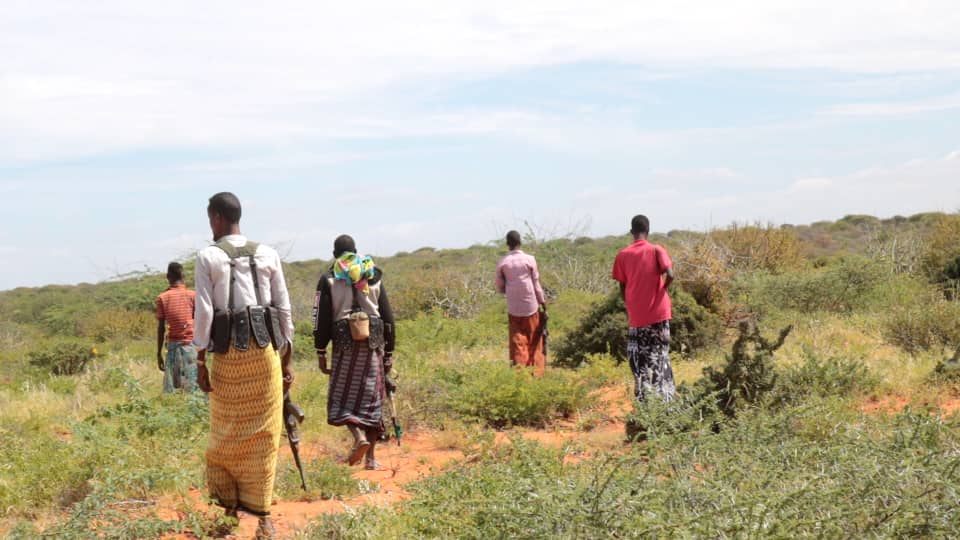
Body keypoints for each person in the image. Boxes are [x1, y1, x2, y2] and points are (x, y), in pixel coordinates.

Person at [192, 192, 294, 540]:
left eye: (210, 219)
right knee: (265, 434)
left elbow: (205, 312)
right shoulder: (268, 253)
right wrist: (287, 358)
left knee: (224, 435)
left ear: (216, 218)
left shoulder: (208, 256)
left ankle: (229, 513)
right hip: (266, 354)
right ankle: (264, 519)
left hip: (226, 357)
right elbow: (282, 308)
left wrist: (201, 357)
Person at [314, 235, 396, 471]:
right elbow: (388, 317)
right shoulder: (374, 275)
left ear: (334, 254)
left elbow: (321, 318)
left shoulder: (329, 278)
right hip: (374, 343)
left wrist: (321, 350)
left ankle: (358, 436)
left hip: (344, 343)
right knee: (372, 397)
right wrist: (389, 351)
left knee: (343, 397)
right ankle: (371, 459)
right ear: (356, 251)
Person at [612, 215, 676, 402]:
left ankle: (644, 399)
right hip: (659, 312)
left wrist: (630, 303)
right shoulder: (657, 250)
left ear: (631, 232)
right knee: (660, 355)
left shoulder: (622, 255)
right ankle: (665, 399)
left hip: (637, 316)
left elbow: (622, 286)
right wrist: (662, 290)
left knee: (638, 358)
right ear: (648, 231)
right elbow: (670, 274)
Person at [495, 230, 547, 376]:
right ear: (520, 242)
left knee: (517, 341)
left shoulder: (502, 262)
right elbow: (536, 283)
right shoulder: (530, 260)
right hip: (531, 305)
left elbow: (499, 285)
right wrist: (542, 302)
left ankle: (520, 374)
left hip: (513, 307)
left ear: (507, 244)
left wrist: (508, 290)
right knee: (534, 339)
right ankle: (536, 373)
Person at [155, 262, 197, 393]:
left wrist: (158, 353)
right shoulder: (192, 295)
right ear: (183, 276)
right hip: (192, 345)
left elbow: (161, 328)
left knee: (172, 390)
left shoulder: (162, 298)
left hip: (173, 346)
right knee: (193, 387)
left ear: (168, 277)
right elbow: (200, 321)